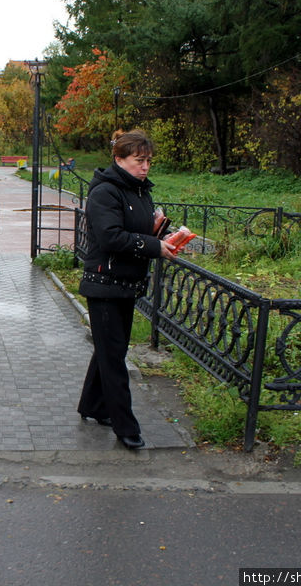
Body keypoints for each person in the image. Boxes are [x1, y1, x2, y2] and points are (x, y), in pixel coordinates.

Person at [76, 129, 176, 449]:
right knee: (115, 357)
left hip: (127, 283)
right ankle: (125, 426)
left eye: (148, 161)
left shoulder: (140, 191)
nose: (145, 167)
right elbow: (110, 237)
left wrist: (157, 230)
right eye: (138, 161)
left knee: (110, 351)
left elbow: (135, 229)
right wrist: (154, 246)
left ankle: (93, 405)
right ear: (119, 159)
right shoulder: (105, 192)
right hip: (104, 284)